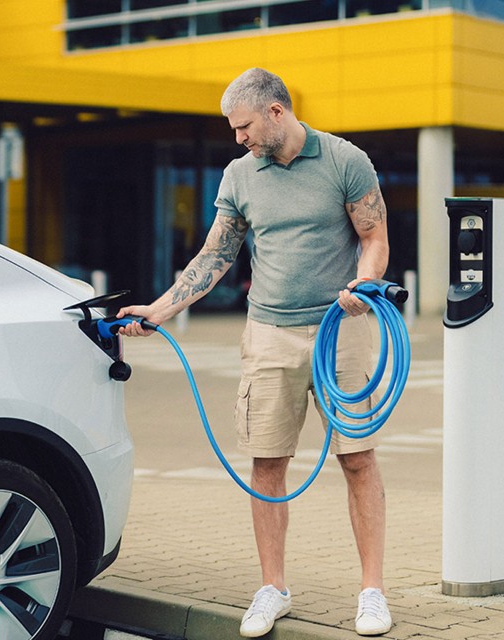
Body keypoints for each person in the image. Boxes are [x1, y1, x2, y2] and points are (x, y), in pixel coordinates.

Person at [115, 67, 392, 638]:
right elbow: (214, 256)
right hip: (268, 332)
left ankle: (372, 593)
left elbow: (374, 238)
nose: (236, 138)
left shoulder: (346, 161)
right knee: (266, 462)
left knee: (357, 458)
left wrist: (363, 288)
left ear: (275, 112)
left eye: (242, 126)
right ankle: (273, 588)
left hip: (341, 329)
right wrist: (159, 310)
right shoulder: (240, 175)